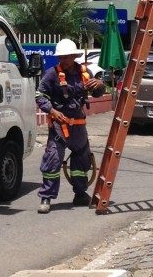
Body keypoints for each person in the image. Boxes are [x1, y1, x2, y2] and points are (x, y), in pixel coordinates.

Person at [35, 38, 105, 214]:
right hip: (60, 126)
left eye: (67, 57)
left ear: (74, 56)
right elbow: (40, 96)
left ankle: (80, 194)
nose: (63, 61)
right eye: (61, 58)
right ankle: (46, 197)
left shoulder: (85, 73)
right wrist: (52, 111)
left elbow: (96, 92)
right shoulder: (52, 74)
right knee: (53, 160)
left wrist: (100, 85)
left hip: (79, 127)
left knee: (81, 161)